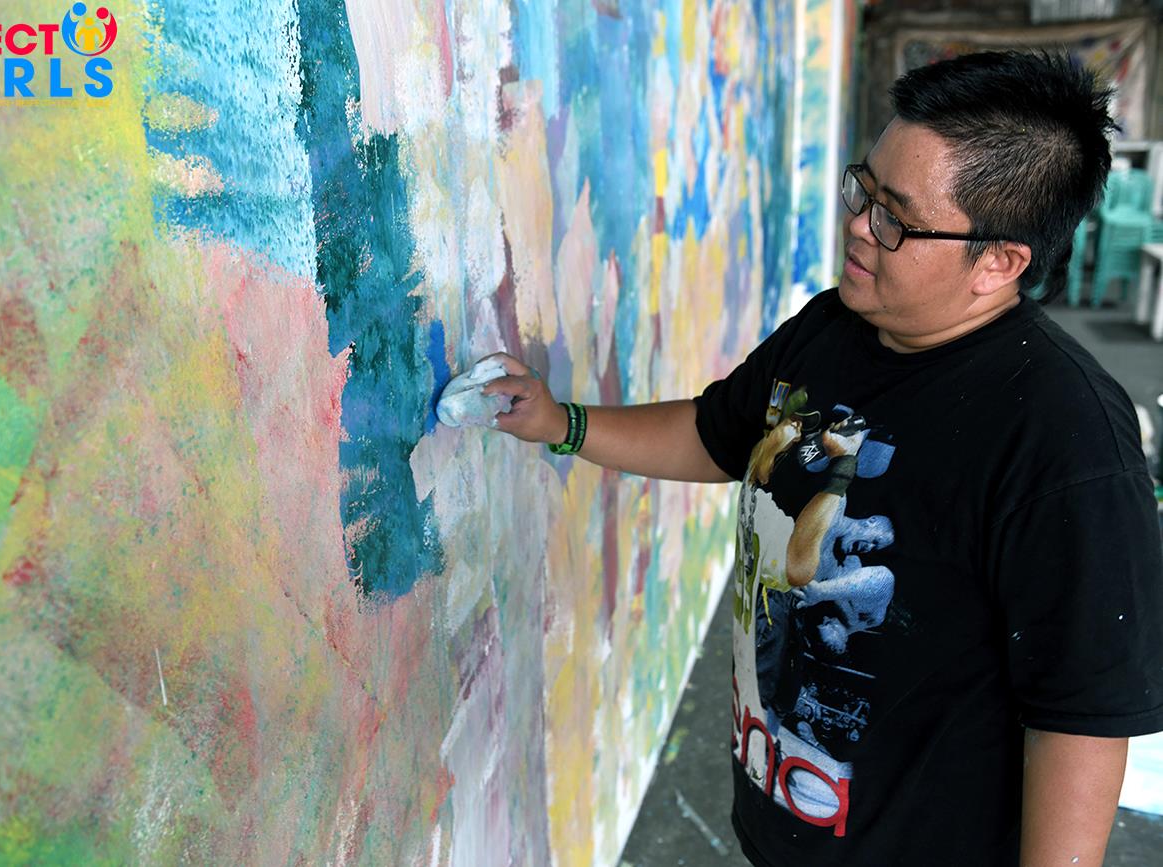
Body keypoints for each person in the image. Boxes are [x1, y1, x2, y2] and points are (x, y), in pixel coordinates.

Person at [482, 51, 1163, 867]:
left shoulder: (1065, 439)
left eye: (894, 218)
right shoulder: (833, 327)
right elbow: (717, 432)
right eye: (862, 190)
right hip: (787, 821)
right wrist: (561, 423)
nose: (858, 225)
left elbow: (1081, 719)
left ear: (998, 261)